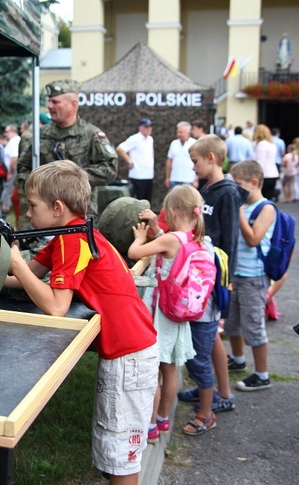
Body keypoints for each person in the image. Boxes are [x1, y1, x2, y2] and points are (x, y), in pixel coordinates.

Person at [0, 160, 158, 485]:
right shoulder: (66, 235)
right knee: (113, 448)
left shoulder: (73, 241)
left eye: (33, 205)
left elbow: (56, 307)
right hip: (127, 350)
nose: (29, 213)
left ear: (57, 207)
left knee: (121, 457)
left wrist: (15, 261)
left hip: (129, 354)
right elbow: (27, 275)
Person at [128, 187, 201, 439]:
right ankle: (162, 419)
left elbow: (134, 253)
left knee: (153, 371)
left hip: (160, 313)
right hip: (178, 313)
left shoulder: (170, 240)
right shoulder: (197, 238)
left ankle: (149, 426)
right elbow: (170, 245)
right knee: (170, 369)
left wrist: (140, 236)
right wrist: (156, 232)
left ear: (170, 212)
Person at [181, 135, 245, 415]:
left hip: (214, 278)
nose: (193, 167)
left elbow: (230, 239)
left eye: (195, 161)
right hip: (201, 273)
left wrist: (225, 281)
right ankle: (213, 388)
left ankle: (222, 393)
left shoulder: (228, 192)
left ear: (211, 157)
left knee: (212, 333)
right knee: (214, 337)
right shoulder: (207, 188)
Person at [15, 80, 118, 229]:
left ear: (73, 104)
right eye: (49, 101)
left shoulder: (91, 135)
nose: (50, 106)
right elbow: (22, 168)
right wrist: (38, 188)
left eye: (56, 102)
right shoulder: (40, 135)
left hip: (80, 216)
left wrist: (71, 179)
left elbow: (110, 168)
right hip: (43, 218)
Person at [226, 160, 276, 391]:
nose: (235, 190)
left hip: (254, 277)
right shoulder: (244, 207)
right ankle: (237, 359)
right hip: (236, 274)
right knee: (232, 323)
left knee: (254, 326)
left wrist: (237, 212)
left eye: (238, 185)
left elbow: (253, 238)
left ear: (254, 183)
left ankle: (262, 374)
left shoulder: (266, 208)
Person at [116, 118, 155, 203]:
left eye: (150, 126)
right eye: (146, 126)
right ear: (140, 127)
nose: (149, 128)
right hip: (138, 175)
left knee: (147, 200)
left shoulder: (150, 139)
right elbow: (120, 149)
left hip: (149, 175)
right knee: (138, 201)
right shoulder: (135, 138)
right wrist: (129, 161)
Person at [165, 121, 196, 189]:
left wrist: (196, 179)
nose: (179, 134)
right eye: (178, 132)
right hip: (175, 178)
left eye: (181, 132)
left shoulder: (194, 143)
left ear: (188, 133)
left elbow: (197, 161)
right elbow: (169, 161)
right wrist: (167, 177)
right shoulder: (174, 143)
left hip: (189, 179)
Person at [253, 124, 280, 201]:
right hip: (273, 173)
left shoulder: (261, 145)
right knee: (269, 198)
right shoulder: (272, 144)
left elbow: (259, 162)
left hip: (264, 175)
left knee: (261, 199)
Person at [1, 124, 20, 219]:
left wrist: (10, 172)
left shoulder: (14, 141)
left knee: (8, 191)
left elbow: (14, 158)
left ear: (13, 131)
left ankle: (4, 214)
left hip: (13, 170)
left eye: (6, 131)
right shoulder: (14, 141)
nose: (5, 134)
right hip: (13, 170)